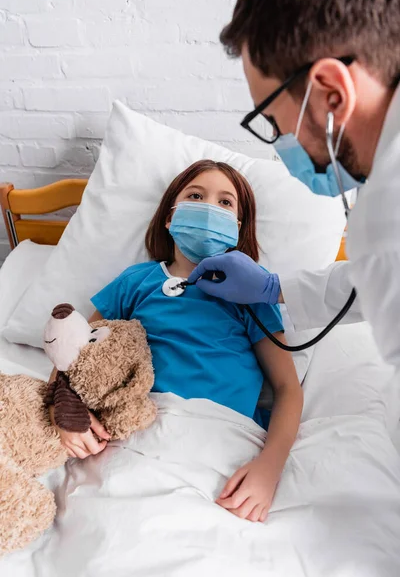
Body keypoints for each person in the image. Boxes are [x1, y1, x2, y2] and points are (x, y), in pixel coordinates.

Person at [48, 159, 303, 523]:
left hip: (219, 438)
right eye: (196, 196)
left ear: (237, 227)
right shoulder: (136, 281)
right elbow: (72, 353)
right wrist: (66, 413)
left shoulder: (251, 291)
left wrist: (269, 466)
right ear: (170, 217)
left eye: (225, 203)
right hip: (136, 430)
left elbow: (287, 388)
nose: (209, 207)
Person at [190, 0, 400, 377]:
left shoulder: (388, 212)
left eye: (270, 119)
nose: (276, 139)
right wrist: (274, 288)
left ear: (331, 94)